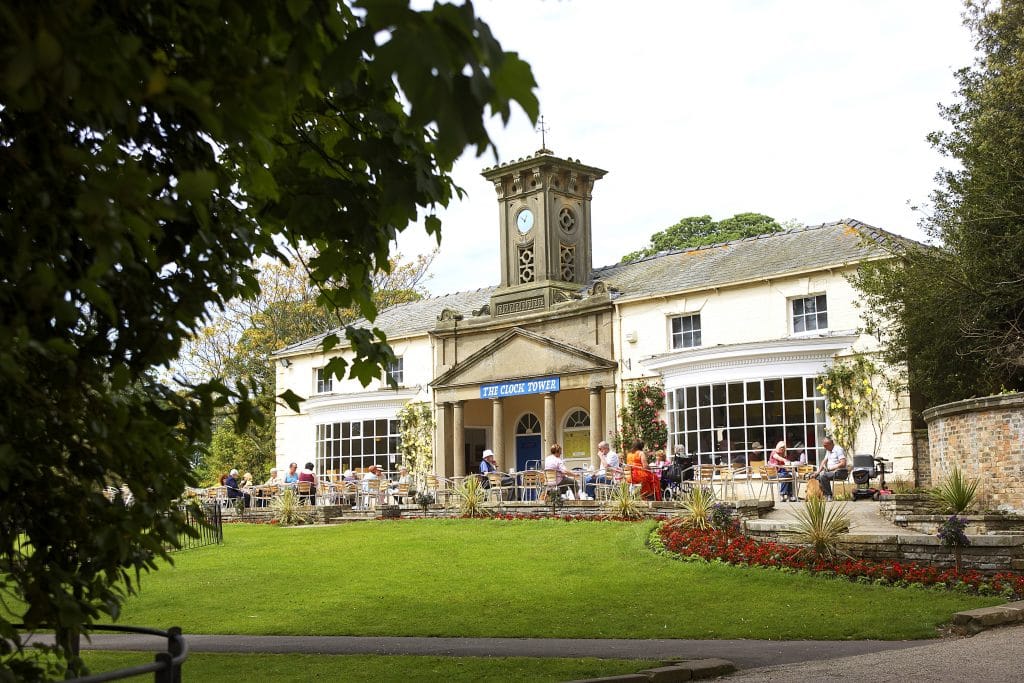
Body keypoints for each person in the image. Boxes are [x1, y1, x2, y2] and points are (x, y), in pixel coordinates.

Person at [813, 437, 848, 501]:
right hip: (831, 472)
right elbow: (824, 462)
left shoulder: (838, 450)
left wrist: (832, 468)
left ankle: (829, 495)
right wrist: (817, 472)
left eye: (825, 445)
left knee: (823, 476)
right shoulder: (828, 450)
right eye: (823, 445)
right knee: (816, 476)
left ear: (831, 444)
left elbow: (843, 463)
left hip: (841, 472)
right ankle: (822, 494)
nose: (824, 447)